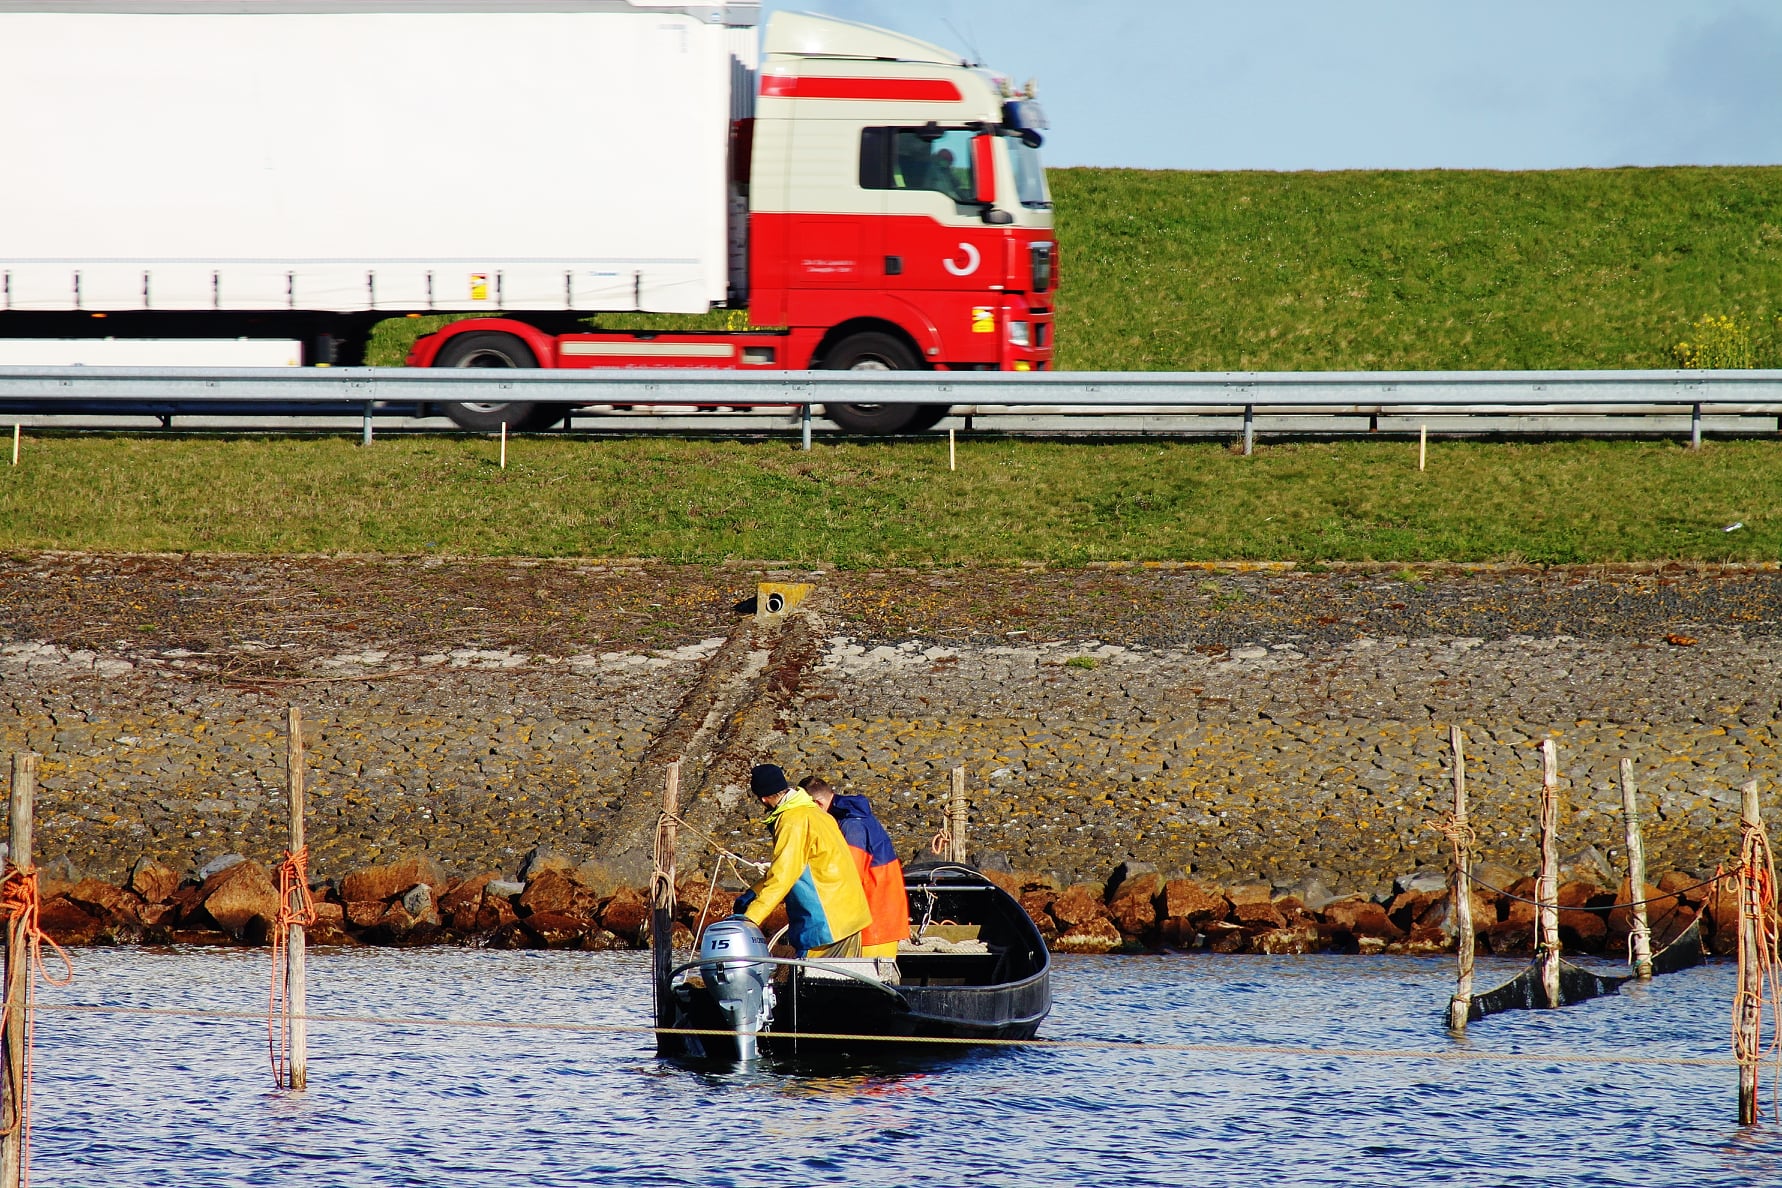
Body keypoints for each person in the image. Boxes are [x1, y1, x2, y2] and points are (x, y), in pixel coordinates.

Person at [732, 764, 870, 959]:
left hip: (826, 924)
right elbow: (796, 864)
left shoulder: (792, 821)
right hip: (850, 917)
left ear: (763, 798)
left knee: (813, 983)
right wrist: (754, 892)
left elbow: (784, 874)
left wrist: (751, 917)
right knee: (843, 984)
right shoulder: (815, 812)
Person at [806, 777, 910, 960]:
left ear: (818, 804)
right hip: (884, 919)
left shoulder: (852, 825)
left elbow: (849, 875)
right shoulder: (856, 818)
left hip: (872, 925)